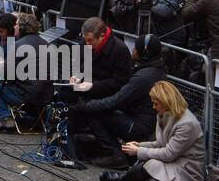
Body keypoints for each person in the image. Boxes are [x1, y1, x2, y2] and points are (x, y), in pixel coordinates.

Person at [70, 33, 165, 166]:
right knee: (99, 108)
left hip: (138, 125)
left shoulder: (143, 77)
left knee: (94, 113)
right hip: (145, 121)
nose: (133, 50)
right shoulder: (153, 70)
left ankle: (116, 155)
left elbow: (117, 100)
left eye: (136, 48)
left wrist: (87, 105)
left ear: (144, 53)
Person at [102, 80, 206, 181]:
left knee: (152, 171)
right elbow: (161, 143)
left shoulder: (187, 124)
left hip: (186, 171)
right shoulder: (164, 115)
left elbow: (168, 154)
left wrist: (139, 151)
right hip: (174, 164)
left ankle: (123, 178)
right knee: (152, 177)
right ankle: (131, 178)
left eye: (156, 103)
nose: (154, 107)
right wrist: (140, 145)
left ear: (166, 102)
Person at [73, 17, 133, 101]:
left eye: (90, 40)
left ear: (102, 36)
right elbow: (78, 64)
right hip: (84, 89)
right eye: (85, 39)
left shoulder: (120, 50)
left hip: (106, 96)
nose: (87, 44)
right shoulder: (85, 42)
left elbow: (120, 81)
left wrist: (93, 86)